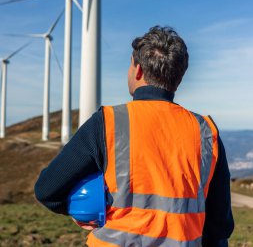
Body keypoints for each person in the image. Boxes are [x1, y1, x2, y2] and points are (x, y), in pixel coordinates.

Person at [35, 26, 234, 247]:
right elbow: (219, 225)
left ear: (137, 70)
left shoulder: (108, 121)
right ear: (178, 77)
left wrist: (80, 208)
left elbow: (47, 189)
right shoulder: (206, 131)